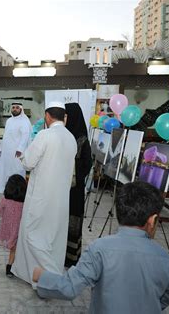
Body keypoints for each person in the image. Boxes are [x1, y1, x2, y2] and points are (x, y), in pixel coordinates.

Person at [32, 181, 169, 314]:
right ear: (152, 220)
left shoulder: (100, 249)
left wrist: (42, 276)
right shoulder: (164, 258)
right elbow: (165, 298)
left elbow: (69, 287)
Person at [11, 101, 77, 285]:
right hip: (61, 198)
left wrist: (23, 157)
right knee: (54, 236)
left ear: (47, 116)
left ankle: (45, 277)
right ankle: (50, 272)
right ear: (65, 117)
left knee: (33, 234)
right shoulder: (71, 137)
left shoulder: (44, 135)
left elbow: (29, 162)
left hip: (42, 195)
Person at [64, 103, 93, 267]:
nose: (65, 118)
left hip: (75, 189)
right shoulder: (63, 135)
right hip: (61, 187)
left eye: (67, 115)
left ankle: (71, 257)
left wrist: (73, 172)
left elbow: (87, 164)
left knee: (73, 221)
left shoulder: (82, 139)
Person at [0, 174, 27, 278]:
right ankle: (13, 266)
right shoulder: (24, 203)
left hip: (8, 228)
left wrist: (6, 215)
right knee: (16, 249)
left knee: (13, 249)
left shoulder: (5, 200)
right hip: (19, 230)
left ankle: (10, 268)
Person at [0, 102, 32, 194]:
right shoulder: (9, 121)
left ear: (21, 109)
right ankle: (5, 189)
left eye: (17, 108)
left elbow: (25, 136)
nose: (15, 109)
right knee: (5, 169)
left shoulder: (24, 121)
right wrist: (1, 147)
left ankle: (18, 191)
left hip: (17, 152)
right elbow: (6, 135)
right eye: (13, 107)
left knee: (17, 170)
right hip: (7, 152)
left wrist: (20, 149)